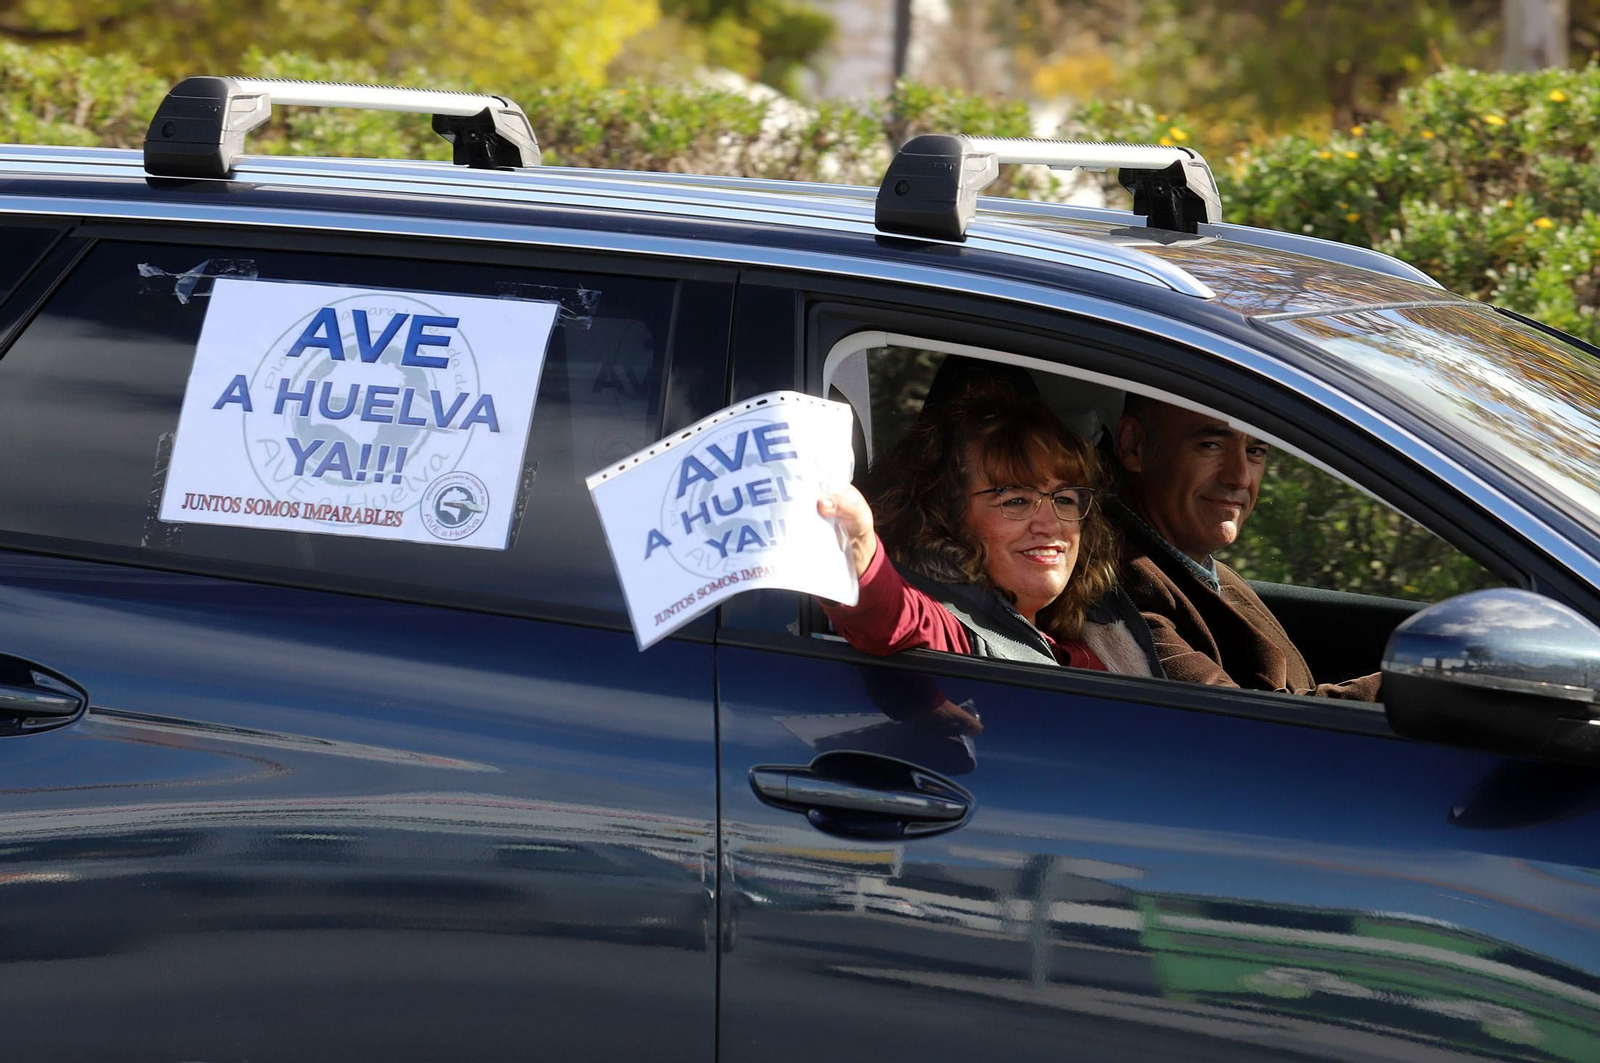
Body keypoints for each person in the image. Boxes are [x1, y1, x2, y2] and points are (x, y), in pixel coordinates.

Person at [818, 394, 1162, 676]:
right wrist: (859, 548)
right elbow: (897, 617)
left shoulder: (1101, 630)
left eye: (1064, 499)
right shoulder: (958, 635)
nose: (1050, 524)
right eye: (1016, 500)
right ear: (945, 518)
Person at [1113, 394, 1381, 699]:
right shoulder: (1117, 585)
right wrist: (1416, 689)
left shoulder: (1206, 571)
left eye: (1255, 450)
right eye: (1211, 445)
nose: (1240, 477)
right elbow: (1255, 727)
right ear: (1134, 444)